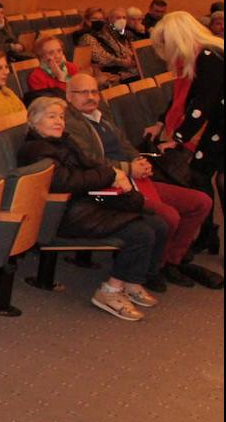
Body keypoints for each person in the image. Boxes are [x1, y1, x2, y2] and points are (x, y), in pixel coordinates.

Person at [62, 73, 220, 290]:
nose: (90, 97)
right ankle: (152, 268)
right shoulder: (70, 123)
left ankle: (171, 261)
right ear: (69, 96)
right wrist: (129, 168)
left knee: (201, 202)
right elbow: (90, 160)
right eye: (83, 92)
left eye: (94, 92)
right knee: (169, 216)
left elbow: (125, 144)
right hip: (111, 186)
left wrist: (138, 160)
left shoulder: (101, 116)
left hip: (135, 179)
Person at [17, 97, 167, 320]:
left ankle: (131, 281)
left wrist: (116, 174)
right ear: (34, 121)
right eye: (51, 117)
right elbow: (64, 182)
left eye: (61, 117)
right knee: (140, 232)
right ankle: (110, 291)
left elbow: (89, 164)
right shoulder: (36, 149)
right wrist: (109, 174)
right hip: (66, 213)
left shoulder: (63, 141)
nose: (59, 121)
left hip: (85, 202)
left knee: (156, 222)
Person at [151, 10, 224, 255]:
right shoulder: (200, 55)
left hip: (220, 125)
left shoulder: (210, 56)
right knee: (200, 175)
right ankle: (207, 234)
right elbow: (183, 99)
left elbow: (203, 103)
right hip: (218, 125)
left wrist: (178, 138)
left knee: (213, 178)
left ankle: (208, 234)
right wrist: (162, 122)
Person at [82, 7, 141, 87]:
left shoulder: (107, 33)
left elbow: (121, 51)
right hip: (103, 72)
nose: (98, 21)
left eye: (101, 19)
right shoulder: (86, 37)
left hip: (120, 70)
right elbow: (101, 57)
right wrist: (122, 62)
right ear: (87, 21)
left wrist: (131, 58)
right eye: (94, 19)